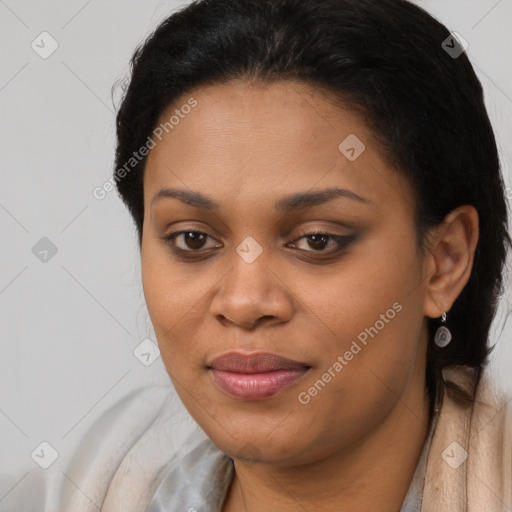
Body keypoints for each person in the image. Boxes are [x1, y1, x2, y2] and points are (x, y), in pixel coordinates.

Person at [58, 0, 512, 510]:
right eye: (193, 239)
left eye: (317, 240)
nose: (246, 302)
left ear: (443, 261)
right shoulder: (98, 484)